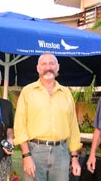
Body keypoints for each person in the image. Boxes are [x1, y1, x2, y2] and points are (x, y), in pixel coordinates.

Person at [14, 52, 82, 181]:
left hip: (61, 154)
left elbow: (73, 126)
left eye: (52, 63)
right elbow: (19, 126)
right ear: (38, 68)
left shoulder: (66, 93)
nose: (48, 67)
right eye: (44, 64)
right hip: (34, 152)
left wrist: (74, 158)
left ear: (58, 67)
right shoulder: (27, 92)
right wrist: (26, 155)